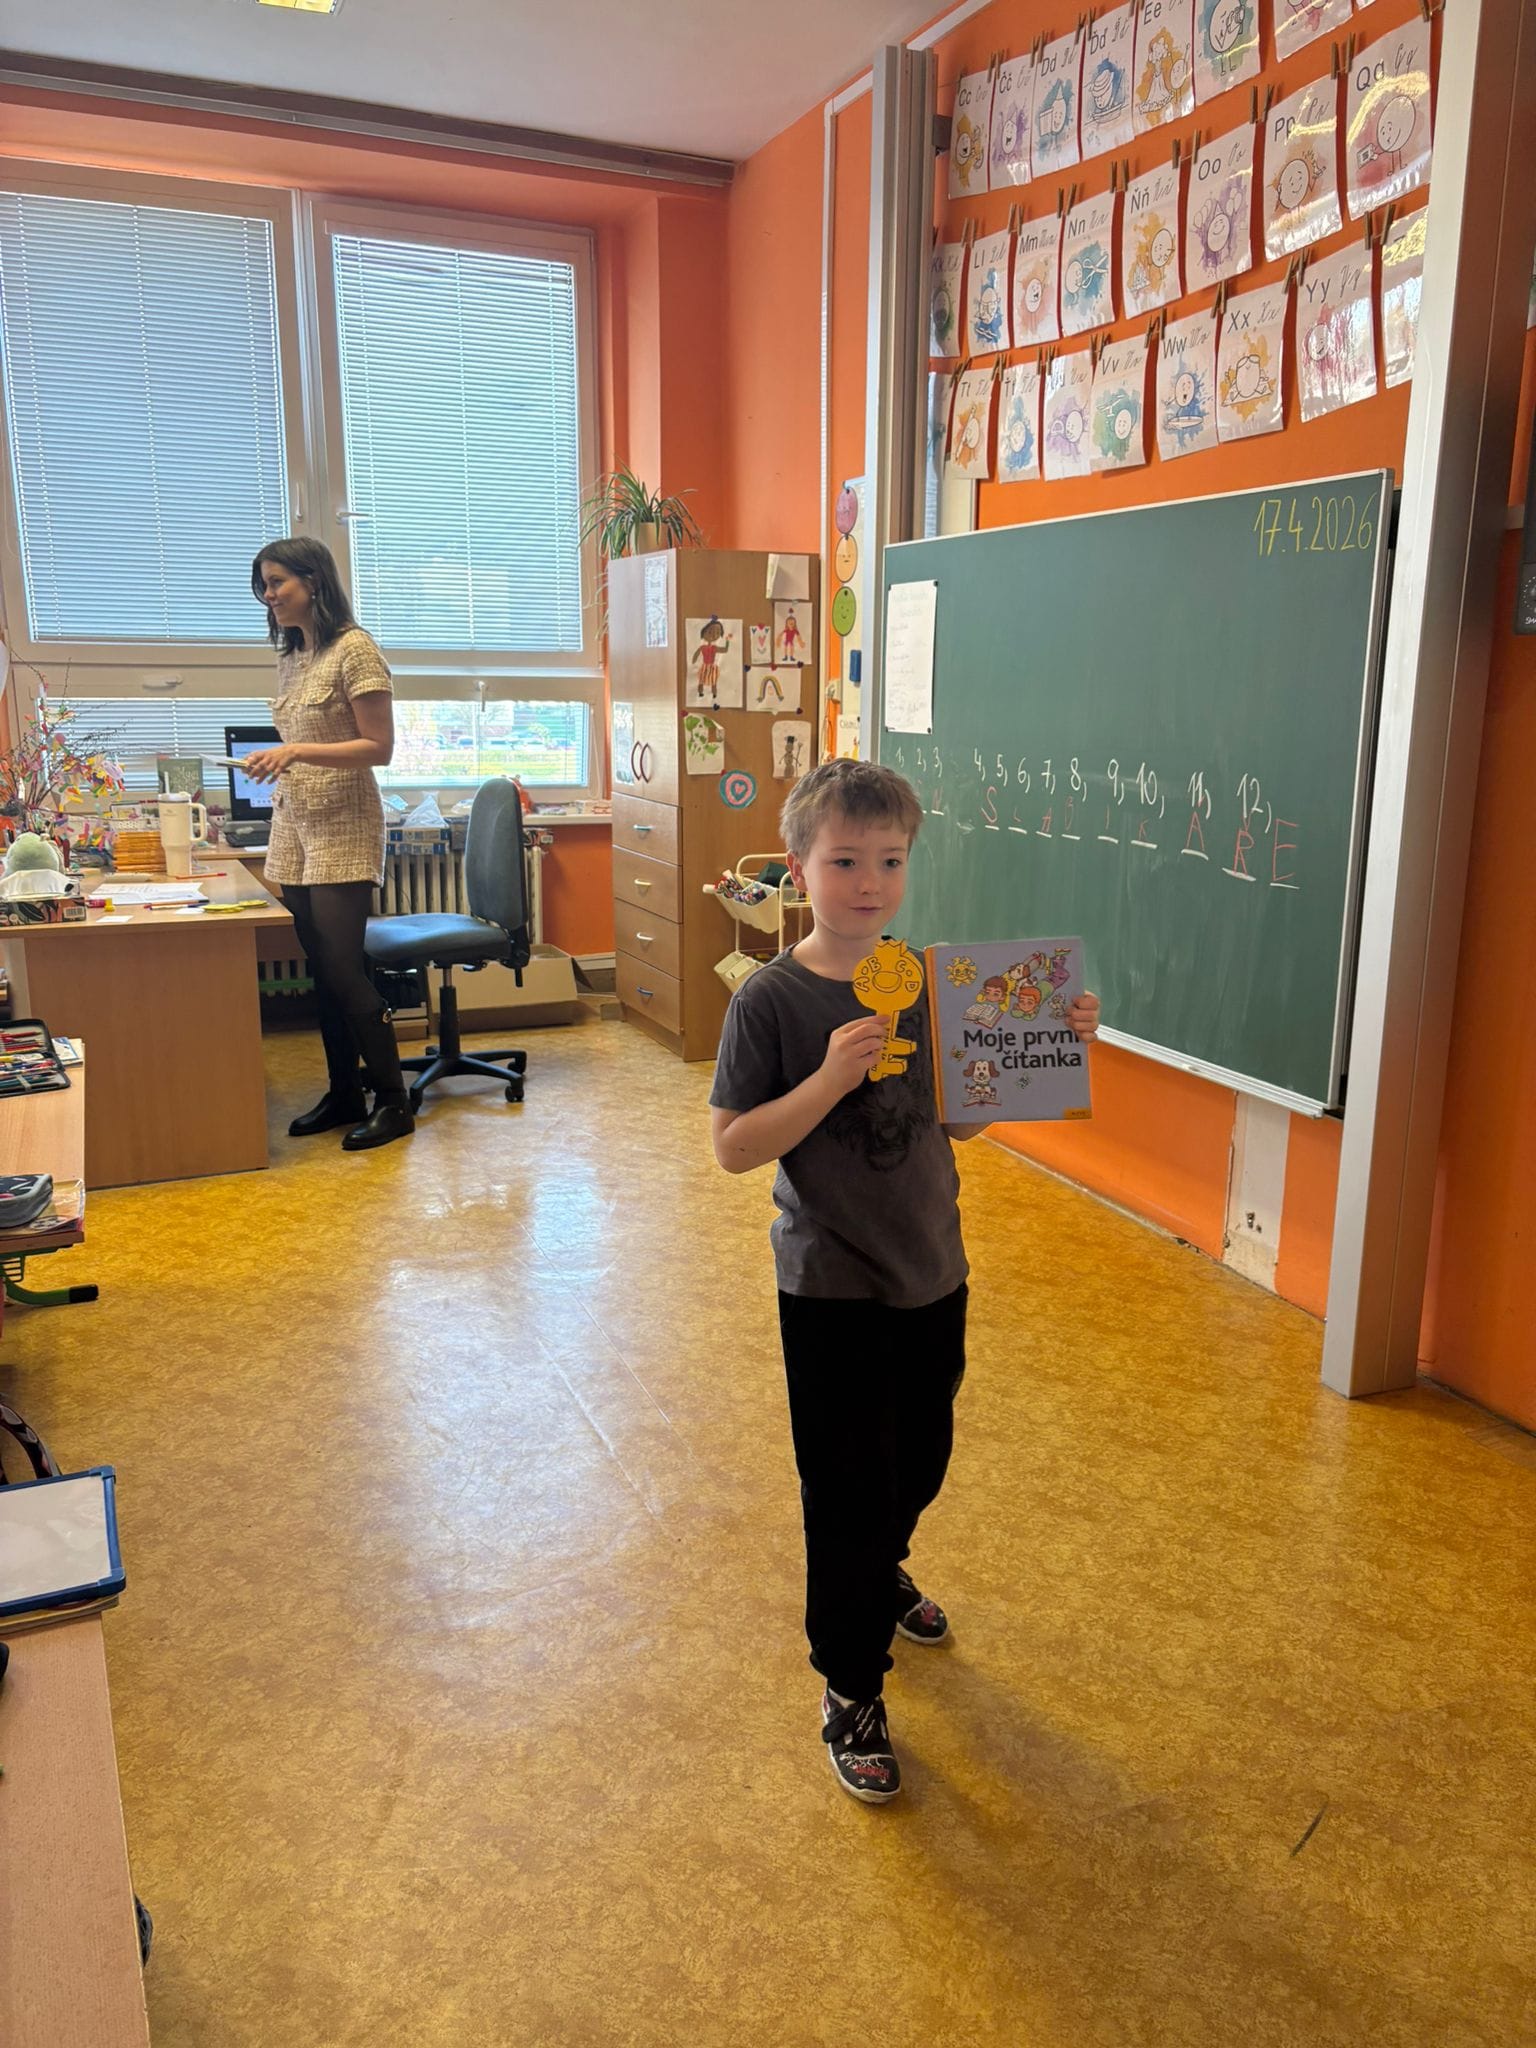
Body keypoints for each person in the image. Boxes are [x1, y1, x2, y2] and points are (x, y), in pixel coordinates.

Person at [709, 759, 1100, 1803]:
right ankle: (849, 1684)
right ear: (798, 868)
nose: (869, 883)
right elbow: (734, 1147)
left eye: (889, 861)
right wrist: (829, 1076)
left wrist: (1041, 1049)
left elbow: (959, 1122)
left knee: (918, 1462)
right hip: (830, 1286)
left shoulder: (932, 982)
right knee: (845, 1491)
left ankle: (882, 1566)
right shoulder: (771, 999)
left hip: (933, 1267)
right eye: (844, 861)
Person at [245, 538, 414, 1152]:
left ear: (313, 581)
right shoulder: (295, 655)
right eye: (263, 585)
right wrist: (277, 760)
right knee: (320, 968)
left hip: (344, 821)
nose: (269, 595)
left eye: (278, 582)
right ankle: (345, 1092)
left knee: (344, 967)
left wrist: (294, 750)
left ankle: (393, 1101)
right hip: (294, 823)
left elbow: (379, 747)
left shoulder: (355, 649)